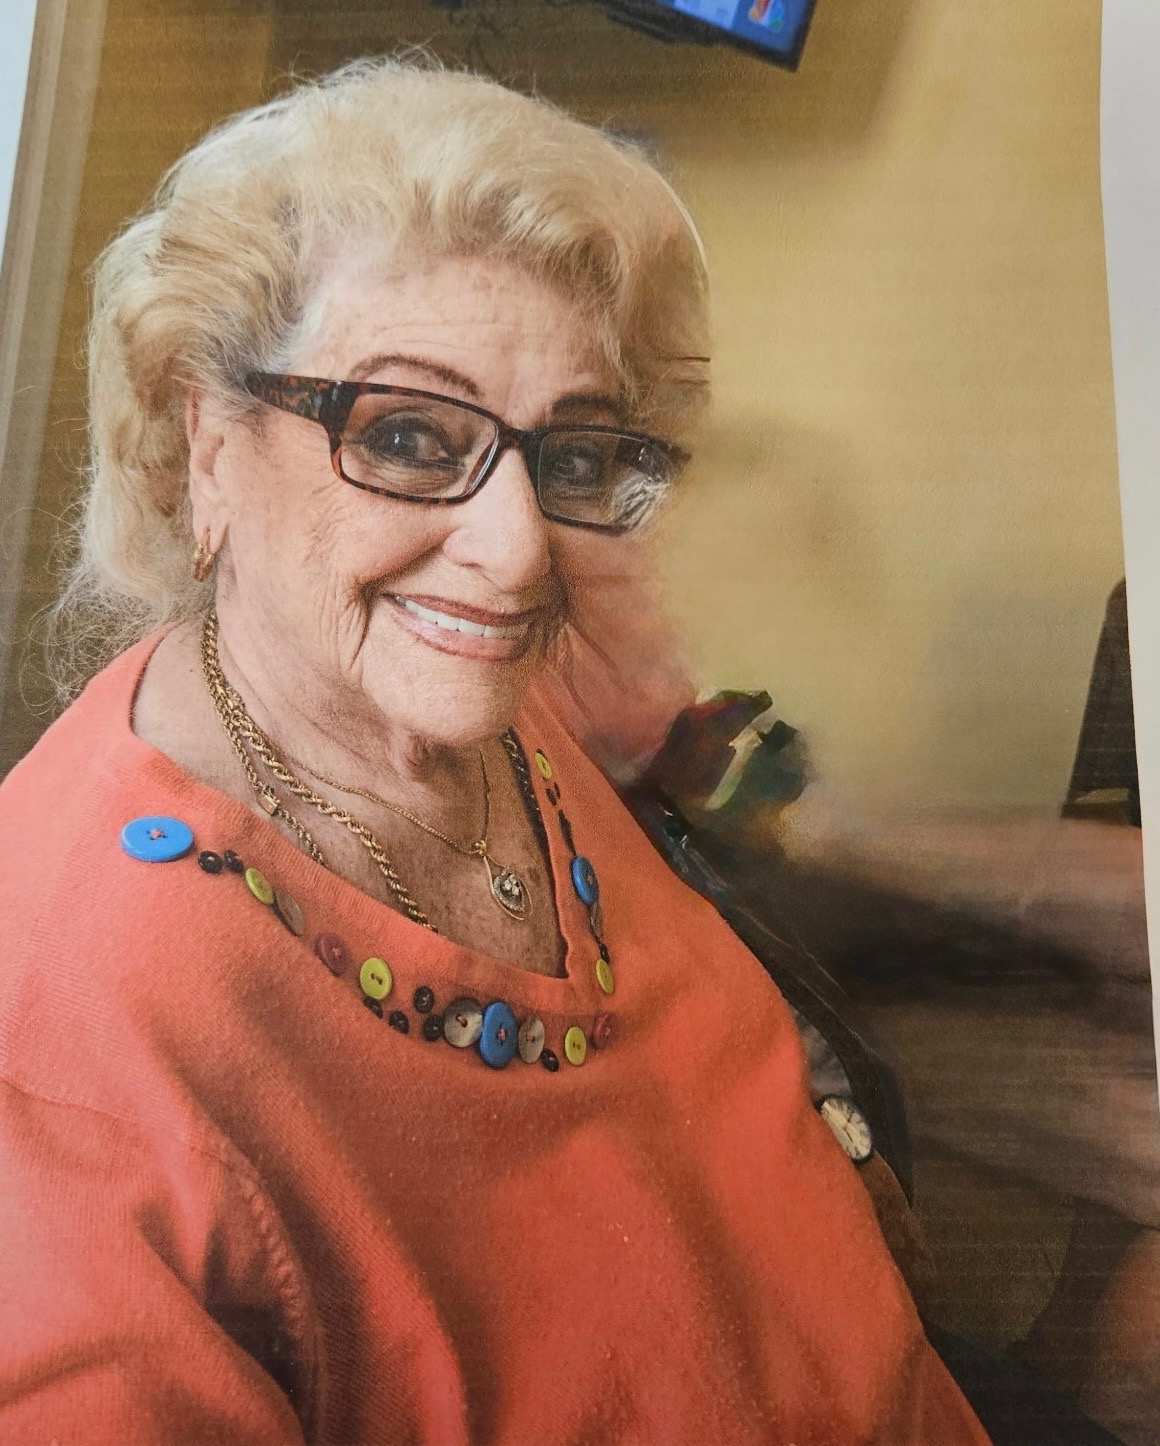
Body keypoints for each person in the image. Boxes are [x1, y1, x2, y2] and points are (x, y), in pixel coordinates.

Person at [0, 57, 987, 1444]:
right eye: (408, 434)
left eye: (571, 456)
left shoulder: (496, 715)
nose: (520, 551)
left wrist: (831, 1160)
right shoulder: (61, 1041)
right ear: (204, 439)